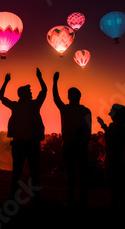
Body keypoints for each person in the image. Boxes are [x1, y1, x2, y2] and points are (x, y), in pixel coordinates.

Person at [0, 68, 46, 201]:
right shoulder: (33, 105)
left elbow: (1, 97)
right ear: (23, 94)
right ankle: (35, 198)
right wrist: (40, 78)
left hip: (21, 143)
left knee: (18, 172)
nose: (31, 93)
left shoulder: (18, 106)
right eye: (29, 92)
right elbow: (44, 92)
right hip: (30, 143)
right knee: (32, 172)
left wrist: (5, 82)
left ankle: (14, 197)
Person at [53, 72, 91, 207]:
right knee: (78, 175)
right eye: (70, 94)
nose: (70, 97)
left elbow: (56, 98)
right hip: (75, 146)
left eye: (71, 94)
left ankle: (73, 201)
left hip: (72, 146)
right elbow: (88, 129)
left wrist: (55, 82)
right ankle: (80, 201)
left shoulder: (69, 109)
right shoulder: (84, 110)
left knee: (72, 175)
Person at [97, 104, 125, 209]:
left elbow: (110, 139)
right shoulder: (115, 126)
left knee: (115, 180)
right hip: (111, 156)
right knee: (112, 180)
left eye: (111, 111)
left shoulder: (119, 127)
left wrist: (104, 127)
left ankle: (117, 203)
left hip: (115, 157)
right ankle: (116, 202)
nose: (109, 113)